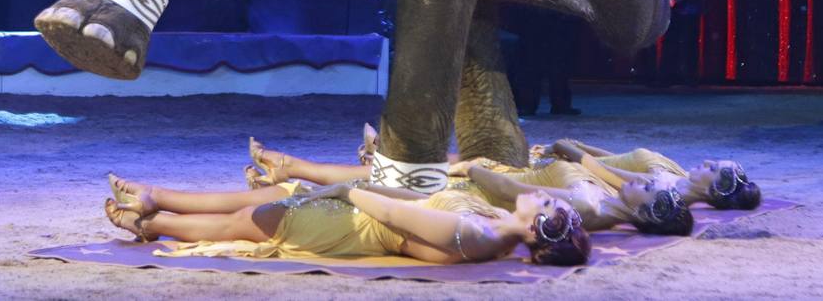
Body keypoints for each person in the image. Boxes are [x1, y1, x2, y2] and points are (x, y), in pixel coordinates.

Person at [103, 171, 590, 266]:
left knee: (250, 219)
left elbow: (391, 212)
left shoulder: (473, 232)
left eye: (545, 207)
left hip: (349, 224)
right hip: (357, 213)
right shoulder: (493, 225)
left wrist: (347, 189)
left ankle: (151, 223)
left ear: (536, 229)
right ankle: (154, 198)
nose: (537, 198)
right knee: (274, 196)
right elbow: (416, 199)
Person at [247, 134, 692, 236]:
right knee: (381, 176)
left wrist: (467, 169)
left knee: (382, 180)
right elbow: (621, 173)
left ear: (644, 211)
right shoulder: (611, 199)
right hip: (512, 174)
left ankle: (289, 170)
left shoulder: (592, 210)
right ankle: (288, 169)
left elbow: (511, 192)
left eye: (649, 191)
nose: (646, 182)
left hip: (490, 186)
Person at [541, 138, 762, 211]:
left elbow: (603, 171)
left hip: (575, 166)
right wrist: (581, 146)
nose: (706, 162)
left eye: (712, 169)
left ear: (712, 190)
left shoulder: (662, 188)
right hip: (585, 158)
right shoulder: (681, 178)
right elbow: (620, 160)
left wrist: (567, 148)